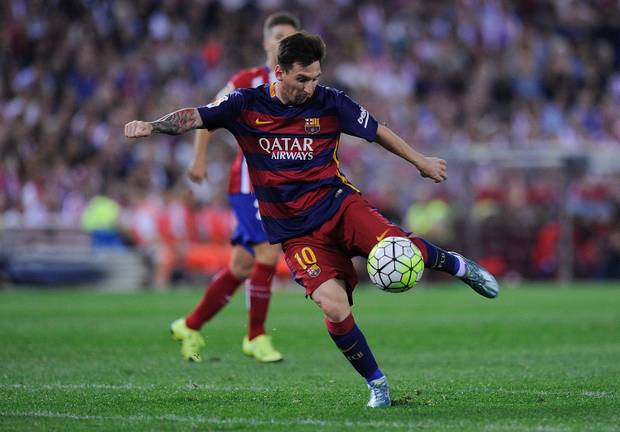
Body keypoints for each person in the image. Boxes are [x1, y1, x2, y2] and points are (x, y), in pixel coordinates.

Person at [125, 32, 499, 408]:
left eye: (315, 78)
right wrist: (152, 126)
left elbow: (378, 131)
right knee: (334, 307)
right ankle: (378, 384)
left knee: (395, 246)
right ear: (279, 73)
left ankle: (458, 266)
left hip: (339, 206)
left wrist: (421, 161)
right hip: (296, 232)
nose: (310, 87)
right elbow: (194, 117)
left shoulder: (330, 101)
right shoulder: (245, 105)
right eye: (302, 79)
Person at [169, 12, 300, 364]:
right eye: (279, 37)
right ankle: (256, 336)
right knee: (268, 253)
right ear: (266, 42)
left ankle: (189, 325)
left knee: (242, 265)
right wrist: (199, 158)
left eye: (290, 38)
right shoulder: (247, 81)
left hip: (280, 187)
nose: (284, 43)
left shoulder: (301, 86)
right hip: (249, 184)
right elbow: (208, 114)